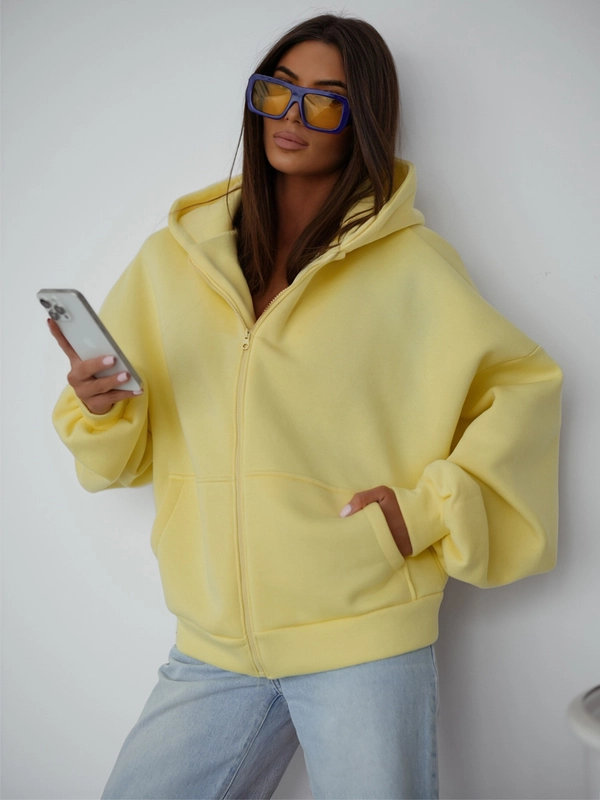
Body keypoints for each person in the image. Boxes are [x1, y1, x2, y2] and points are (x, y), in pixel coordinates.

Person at [47, 13, 563, 800]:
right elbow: (125, 454)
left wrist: (423, 513)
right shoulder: (172, 263)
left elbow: (523, 385)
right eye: (278, 89)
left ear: (363, 120)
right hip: (213, 644)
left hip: (361, 636)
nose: (291, 115)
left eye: (325, 99)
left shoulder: (409, 267)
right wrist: (100, 407)